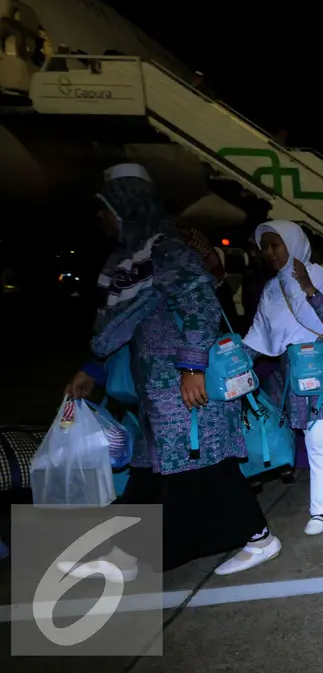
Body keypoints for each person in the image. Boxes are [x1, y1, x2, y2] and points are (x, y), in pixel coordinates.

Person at [62, 163, 280, 578]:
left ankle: (259, 536)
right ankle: (128, 554)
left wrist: (192, 367)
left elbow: (200, 306)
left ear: (128, 208)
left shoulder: (165, 251)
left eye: (106, 208)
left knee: (206, 465)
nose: (100, 218)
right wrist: (94, 367)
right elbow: (120, 326)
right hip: (156, 390)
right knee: (150, 469)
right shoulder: (128, 260)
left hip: (182, 385)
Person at [244, 221, 323, 536]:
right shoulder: (271, 289)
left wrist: (310, 289)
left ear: (293, 243)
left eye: (275, 244)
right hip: (295, 375)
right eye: (264, 246)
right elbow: (258, 335)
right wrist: (233, 361)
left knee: (317, 440)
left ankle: (322, 510)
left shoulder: (322, 276)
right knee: (321, 436)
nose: (269, 252)